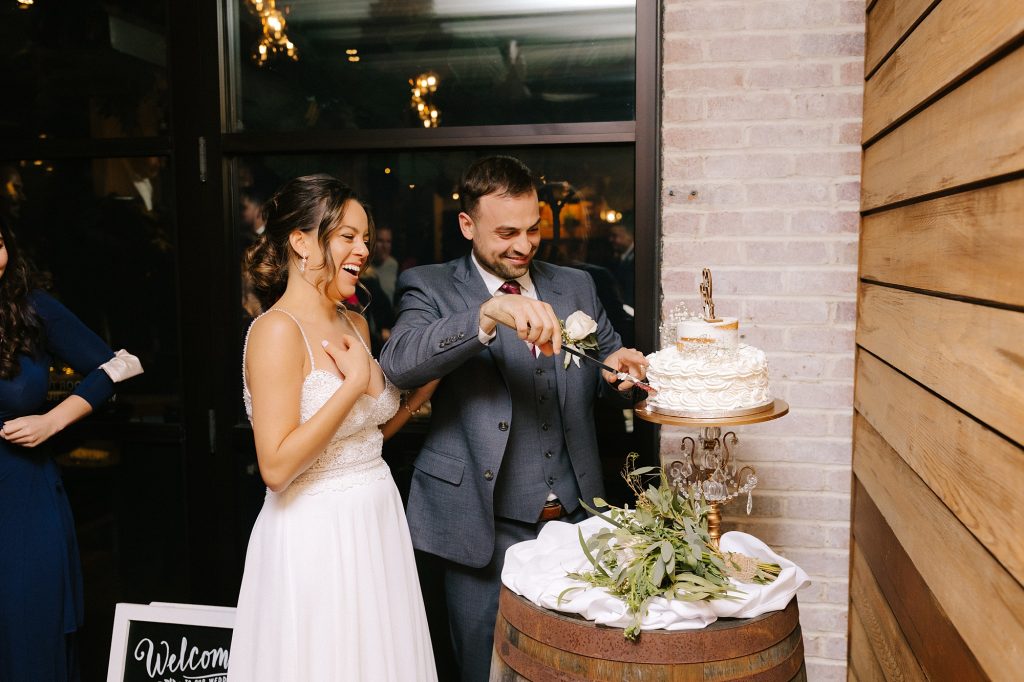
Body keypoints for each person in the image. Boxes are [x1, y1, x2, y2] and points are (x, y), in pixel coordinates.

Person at [378, 156, 648, 681]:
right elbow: (400, 361)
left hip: (576, 520)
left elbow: (606, 367)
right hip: (480, 528)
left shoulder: (577, 286)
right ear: (467, 225)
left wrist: (621, 373)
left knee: (574, 666)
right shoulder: (429, 286)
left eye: (532, 230)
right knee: (485, 669)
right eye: (506, 233)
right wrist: (484, 317)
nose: (523, 245)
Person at [227, 175, 437, 681]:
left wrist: (411, 404)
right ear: (300, 242)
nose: (362, 249)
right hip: (315, 533)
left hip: (376, 517)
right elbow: (276, 468)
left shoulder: (354, 323)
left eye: (365, 237)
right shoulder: (276, 332)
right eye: (347, 236)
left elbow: (360, 442)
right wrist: (351, 387)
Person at [0, 219, 142, 682]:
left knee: (28, 635)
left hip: (23, 494)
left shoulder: (30, 308)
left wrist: (53, 420)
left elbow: (122, 365)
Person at [608, 222, 635, 308]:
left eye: (615, 236)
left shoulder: (639, 258)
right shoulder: (616, 258)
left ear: (629, 236)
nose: (610, 240)